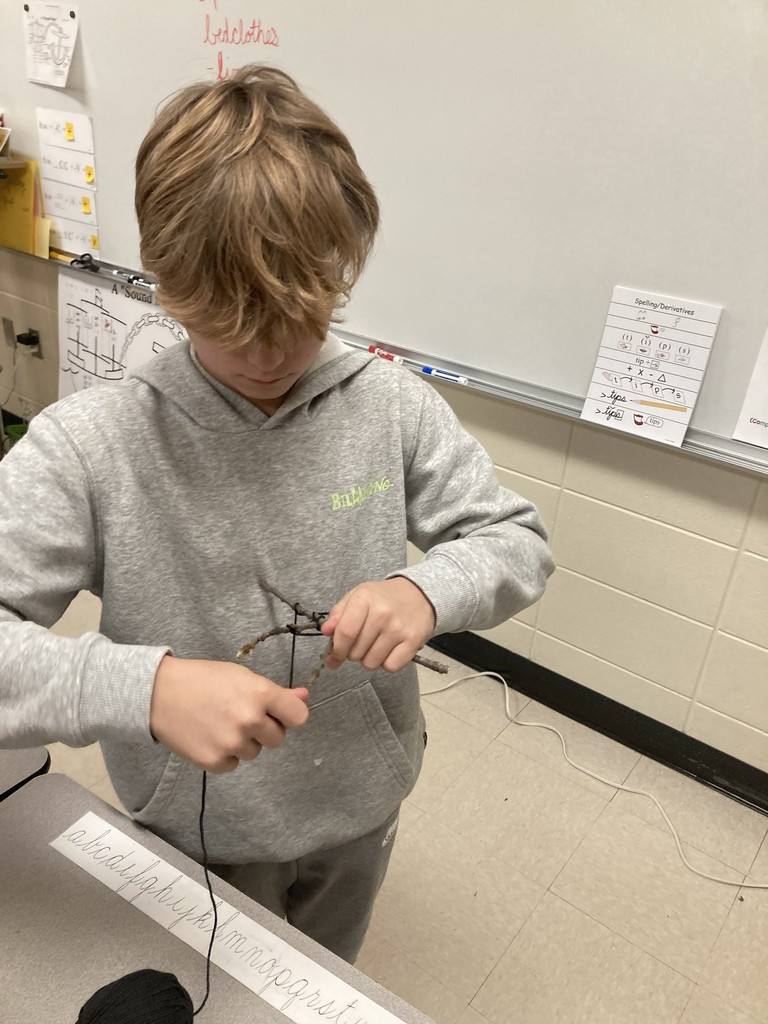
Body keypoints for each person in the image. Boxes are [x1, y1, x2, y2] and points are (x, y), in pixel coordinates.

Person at [0, 64, 554, 963]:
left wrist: (426, 590)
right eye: (229, 322)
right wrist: (144, 689)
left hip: (361, 806)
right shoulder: (88, 446)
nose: (265, 354)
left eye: (295, 318)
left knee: (328, 976)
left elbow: (514, 540)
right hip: (193, 825)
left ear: (337, 274)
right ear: (169, 285)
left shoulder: (392, 407)